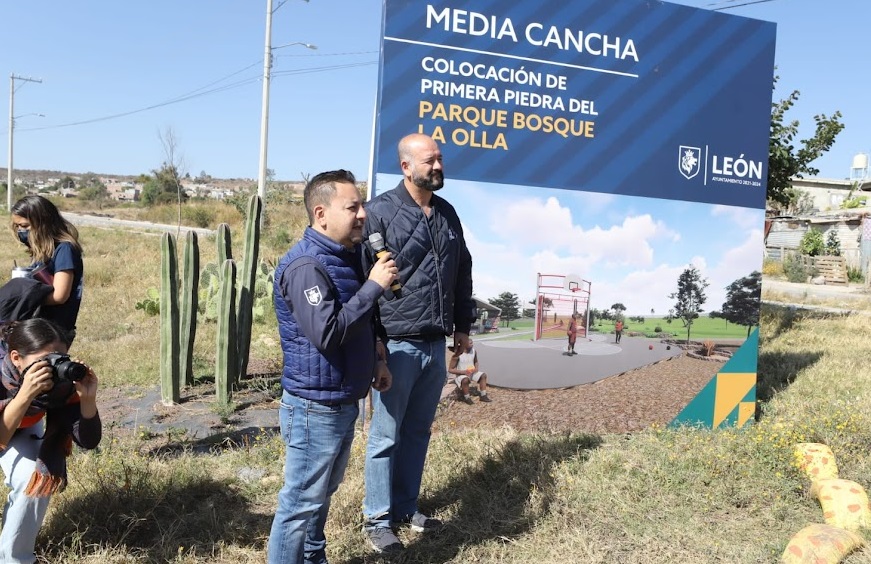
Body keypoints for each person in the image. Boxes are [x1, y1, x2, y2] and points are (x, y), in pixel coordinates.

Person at [267, 169, 397, 564]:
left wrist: (377, 355)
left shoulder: (343, 257)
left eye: (362, 206)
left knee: (321, 494)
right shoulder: (307, 266)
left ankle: (313, 557)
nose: (363, 215)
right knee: (299, 504)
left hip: (341, 398)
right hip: (314, 407)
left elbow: (357, 319)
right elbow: (328, 332)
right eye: (353, 207)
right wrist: (373, 285)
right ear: (321, 214)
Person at [361, 133, 476, 554]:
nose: (438, 166)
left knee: (417, 432)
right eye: (430, 160)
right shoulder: (378, 213)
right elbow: (366, 284)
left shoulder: (447, 214)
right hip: (395, 345)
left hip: (434, 343)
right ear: (406, 166)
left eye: (440, 159)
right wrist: (375, 347)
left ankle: (406, 509)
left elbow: (462, 270)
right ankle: (376, 519)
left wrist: (462, 323)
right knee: (384, 436)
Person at [0, 318, 101, 563]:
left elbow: (88, 441)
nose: (53, 369)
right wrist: (24, 395)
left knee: (33, 476)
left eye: (60, 359)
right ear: (16, 358)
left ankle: (15, 559)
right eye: (44, 361)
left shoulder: (60, 386)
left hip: (19, 424)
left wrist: (87, 400)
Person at [10, 196, 84, 343]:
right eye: (17, 226)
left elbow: (60, 295)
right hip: (39, 327)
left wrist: (25, 300)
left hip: (53, 332)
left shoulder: (64, 250)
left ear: (43, 223)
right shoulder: (43, 250)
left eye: (25, 226)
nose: (20, 231)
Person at [447, 338, 492, 404]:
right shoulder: (457, 355)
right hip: (461, 374)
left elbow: (476, 361)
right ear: (464, 344)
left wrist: (476, 368)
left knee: (483, 375)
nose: (472, 344)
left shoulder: (473, 351)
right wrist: (464, 372)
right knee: (465, 380)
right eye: (470, 343)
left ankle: (483, 395)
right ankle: (467, 397)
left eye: (472, 343)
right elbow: (450, 369)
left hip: (472, 372)